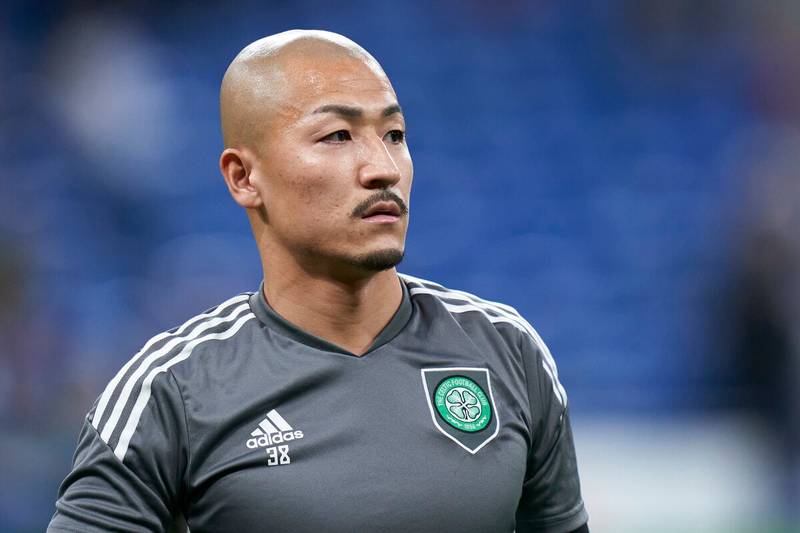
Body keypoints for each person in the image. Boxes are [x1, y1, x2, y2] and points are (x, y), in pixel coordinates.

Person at [48, 30, 589, 533]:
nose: (383, 168)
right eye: (337, 136)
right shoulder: (171, 391)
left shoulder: (507, 351)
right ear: (243, 177)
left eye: (395, 135)